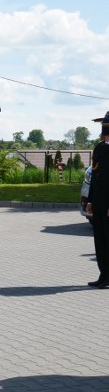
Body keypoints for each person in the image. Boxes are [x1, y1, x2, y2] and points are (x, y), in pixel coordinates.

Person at [86, 111, 109, 288]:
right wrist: (90, 201)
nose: (104, 135)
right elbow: (95, 176)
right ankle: (103, 275)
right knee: (100, 241)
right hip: (99, 202)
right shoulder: (99, 148)